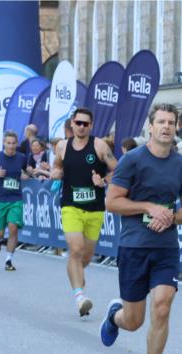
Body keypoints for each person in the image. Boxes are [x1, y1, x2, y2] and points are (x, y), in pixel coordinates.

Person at [100, 103, 182, 354]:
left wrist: (170, 216)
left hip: (165, 247)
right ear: (150, 127)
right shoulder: (132, 160)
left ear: (176, 128)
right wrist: (148, 207)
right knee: (134, 321)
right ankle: (115, 316)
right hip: (134, 246)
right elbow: (112, 202)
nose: (167, 127)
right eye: (161, 122)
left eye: (171, 122)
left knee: (163, 305)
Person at [51, 107, 117, 317]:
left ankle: (77, 277)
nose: (81, 127)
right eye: (78, 122)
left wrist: (104, 180)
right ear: (72, 123)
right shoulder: (62, 146)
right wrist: (56, 172)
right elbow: (57, 165)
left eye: (85, 124)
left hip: (95, 209)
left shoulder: (99, 145)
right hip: (70, 206)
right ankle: (80, 296)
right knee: (76, 249)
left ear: (91, 125)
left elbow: (117, 169)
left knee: (85, 257)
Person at [0, 130, 30, 270]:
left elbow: (26, 170)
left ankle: (8, 260)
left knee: (13, 228)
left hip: (16, 199)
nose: (11, 146)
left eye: (14, 143)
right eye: (8, 143)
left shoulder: (21, 158)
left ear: (16, 144)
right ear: (4, 143)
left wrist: (32, 173)